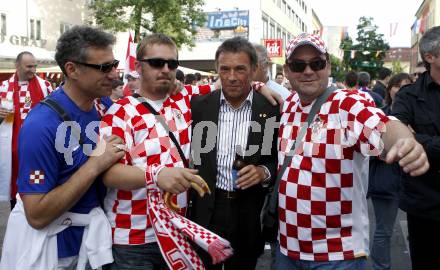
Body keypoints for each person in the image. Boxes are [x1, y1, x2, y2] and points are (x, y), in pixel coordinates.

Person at [276, 33, 429, 269]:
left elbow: (382, 125)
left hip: (337, 254)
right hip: (286, 249)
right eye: (298, 65)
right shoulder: (287, 105)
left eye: (316, 63)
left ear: (327, 66)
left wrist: (405, 141)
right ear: (287, 71)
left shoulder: (347, 103)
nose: (308, 71)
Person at [0, 25, 124, 269]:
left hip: (97, 246)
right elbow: (36, 214)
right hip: (56, 253)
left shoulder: (107, 107)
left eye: (114, 64)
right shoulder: (41, 125)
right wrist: (95, 164)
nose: (114, 75)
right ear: (72, 69)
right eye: (104, 67)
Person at [189, 36, 279, 270]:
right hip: (207, 207)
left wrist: (263, 172)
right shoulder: (198, 107)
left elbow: (274, 159)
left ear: (254, 70)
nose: (231, 76)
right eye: (225, 69)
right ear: (217, 69)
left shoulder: (269, 110)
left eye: (240, 69)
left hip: (248, 212)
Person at [391, 26, 440, 270]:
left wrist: (423, 140)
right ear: (430, 57)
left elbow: (412, 137)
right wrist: (411, 138)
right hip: (424, 203)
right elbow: (398, 134)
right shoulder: (409, 96)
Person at [368, 73, 412, 270]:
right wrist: (385, 151)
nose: (401, 91)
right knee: (384, 231)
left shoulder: (418, 114)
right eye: (398, 86)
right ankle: (381, 267)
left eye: (406, 87)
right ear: (390, 89)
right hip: (386, 180)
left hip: (415, 181)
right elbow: (369, 147)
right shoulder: (379, 114)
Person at [0, 51, 53, 209]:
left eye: (35, 66)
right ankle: (17, 212)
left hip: (38, 146)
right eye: (29, 66)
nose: (33, 70)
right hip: (13, 150)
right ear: (17, 66)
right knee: (15, 184)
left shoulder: (46, 86)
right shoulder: (3, 88)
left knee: (37, 180)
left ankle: (38, 211)